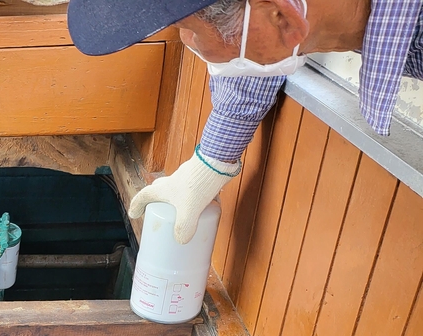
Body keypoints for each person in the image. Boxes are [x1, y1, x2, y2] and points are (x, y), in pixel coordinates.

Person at [67, 0, 423, 243]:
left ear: (284, 20)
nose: (186, 40)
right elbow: (253, 44)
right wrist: (207, 168)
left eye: (186, 27)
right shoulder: (292, 15)